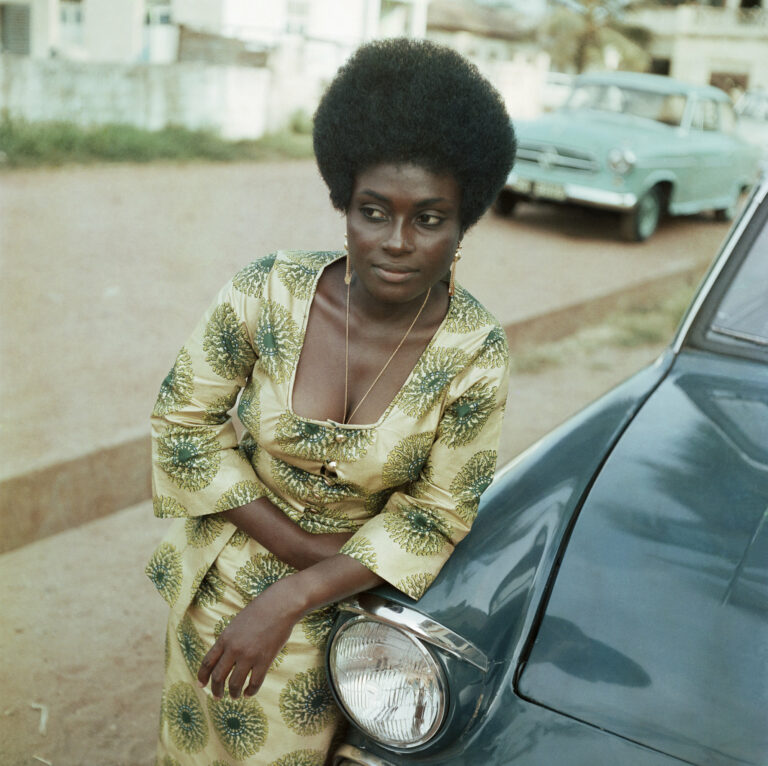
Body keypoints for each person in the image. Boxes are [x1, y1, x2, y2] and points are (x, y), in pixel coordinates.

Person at [146, 37, 516, 765]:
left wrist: (294, 595)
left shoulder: (476, 353)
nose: (397, 243)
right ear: (344, 203)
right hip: (222, 582)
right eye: (374, 211)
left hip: (352, 617)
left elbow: (438, 513)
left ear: (462, 221)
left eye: (429, 219)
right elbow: (183, 423)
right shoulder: (267, 291)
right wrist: (292, 554)